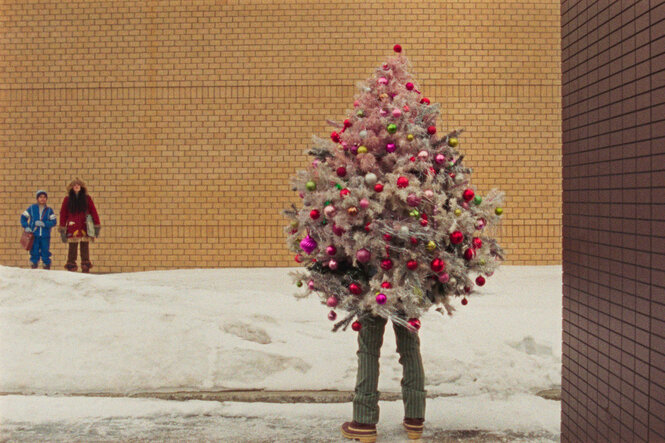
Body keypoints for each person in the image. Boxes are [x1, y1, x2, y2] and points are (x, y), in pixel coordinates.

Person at [341, 314, 426, 442]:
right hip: (407, 294)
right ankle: (414, 417)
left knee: (368, 348)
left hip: (372, 294)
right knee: (410, 346)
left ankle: (364, 421)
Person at [58, 178, 100, 273]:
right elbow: (63, 214)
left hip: (85, 226)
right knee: (72, 247)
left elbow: (93, 211)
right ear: (72, 187)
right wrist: (62, 229)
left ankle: (85, 266)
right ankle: (71, 265)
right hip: (72, 227)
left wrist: (97, 225)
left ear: (81, 187)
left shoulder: (87, 198)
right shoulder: (67, 199)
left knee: (85, 247)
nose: (76, 186)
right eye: (75, 185)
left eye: (78, 185)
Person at [20, 190, 57, 269]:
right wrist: (26, 226)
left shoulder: (49, 210)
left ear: (46, 199)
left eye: (44, 197)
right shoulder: (32, 208)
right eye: (40, 197)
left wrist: (44, 224)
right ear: (37, 198)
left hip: (45, 235)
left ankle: (46, 265)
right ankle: (34, 265)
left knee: (45, 251)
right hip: (34, 235)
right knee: (34, 251)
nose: (42, 199)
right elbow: (23, 217)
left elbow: (54, 222)